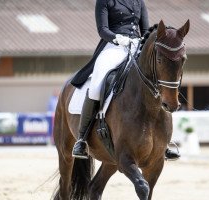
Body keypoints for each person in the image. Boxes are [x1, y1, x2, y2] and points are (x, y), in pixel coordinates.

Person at [71, 0, 180, 160]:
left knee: (156, 81)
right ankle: (81, 139)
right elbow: (103, 30)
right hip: (113, 46)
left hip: (137, 46)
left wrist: (142, 43)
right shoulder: (105, 1)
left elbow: (145, 30)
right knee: (96, 85)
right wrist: (118, 38)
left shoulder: (138, 1)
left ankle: (163, 141)